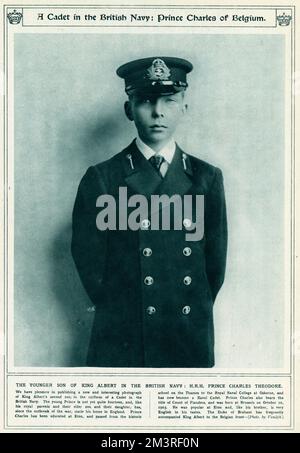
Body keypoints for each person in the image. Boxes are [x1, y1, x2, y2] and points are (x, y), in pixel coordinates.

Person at [71, 56, 227, 367]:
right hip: (123, 334)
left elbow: (214, 266)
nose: (158, 112)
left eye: (169, 101)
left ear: (184, 106)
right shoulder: (103, 178)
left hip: (186, 334)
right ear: (129, 109)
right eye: (145, 101)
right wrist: (122, 307)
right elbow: (88, 259)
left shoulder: (206, 178)